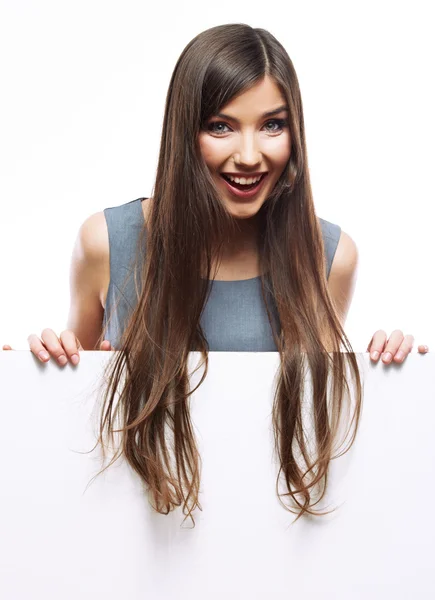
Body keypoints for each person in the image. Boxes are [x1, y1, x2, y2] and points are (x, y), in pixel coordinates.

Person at [2, 24, 429, 524]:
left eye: (272, 125)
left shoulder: (330, 256)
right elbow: (74, 409)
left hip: (275, 539)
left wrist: (392, 377)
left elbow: (315, 427)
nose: (249, 156)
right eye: (220, 126)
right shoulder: (106, 243)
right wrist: (30, 375)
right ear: (185, 132)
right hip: (141, 541)